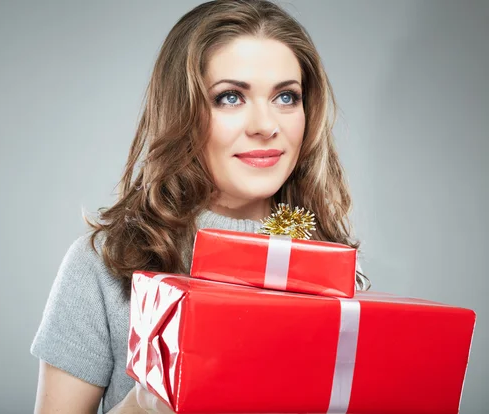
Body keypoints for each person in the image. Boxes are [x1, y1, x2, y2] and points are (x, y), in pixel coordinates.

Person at [30, 0, 369, 412]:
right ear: (182, 112)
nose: (266, 125)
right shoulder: (104, 264)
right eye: (230, 97)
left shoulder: (334, 268)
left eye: (285, 96)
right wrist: (144, 403)